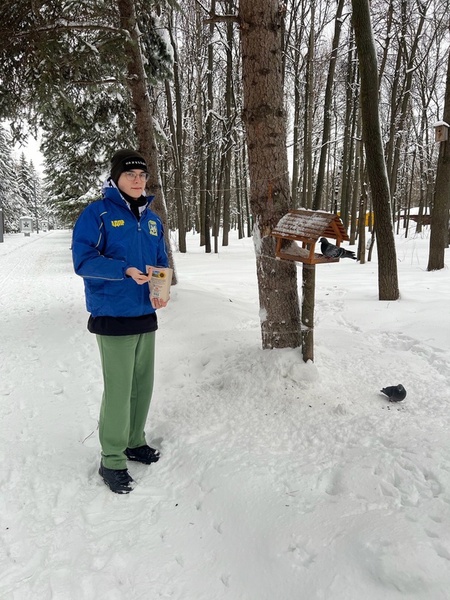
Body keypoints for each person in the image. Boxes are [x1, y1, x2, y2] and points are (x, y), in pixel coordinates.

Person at [72, 149, 169, 494]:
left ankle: (133, 441)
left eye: (142, 175)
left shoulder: (153, 219)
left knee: (142, 384)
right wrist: (123, 270)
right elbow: (83, 261)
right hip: (113, 314)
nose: (138, 180)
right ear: (115, 179)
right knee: (119, 389)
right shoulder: (96, 214)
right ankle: (111, 458)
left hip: (145, 313)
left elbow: (160, 261)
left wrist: (161, 285)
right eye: (130, 175)